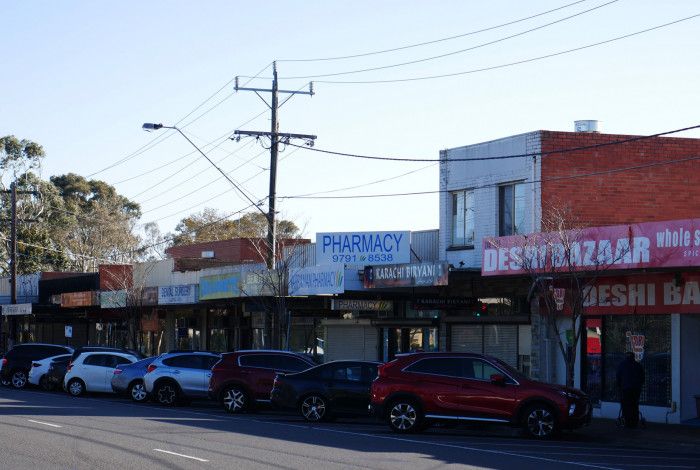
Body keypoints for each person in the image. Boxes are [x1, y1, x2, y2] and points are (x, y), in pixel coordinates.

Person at [616, 351, 645, 428]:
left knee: (626, 406)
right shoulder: (638, 365)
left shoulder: (622, 365)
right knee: (635, 405)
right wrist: (639, 385)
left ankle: (627, 422)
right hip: (636, 389)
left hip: (625, 389)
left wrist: (619, 386)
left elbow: (618, 377)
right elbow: (642, 378)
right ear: (633, 357)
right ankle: (634, 422)